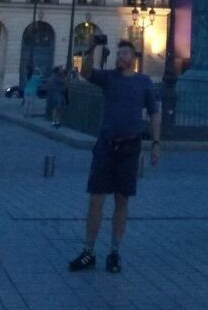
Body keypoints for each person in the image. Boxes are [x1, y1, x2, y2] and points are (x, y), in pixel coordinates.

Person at [68, 39, 160, 274]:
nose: (120, 57)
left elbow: (154, 113)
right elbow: (86, 71)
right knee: (95, 200)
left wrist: (156, 143)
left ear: (134, 59)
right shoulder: (108, 78)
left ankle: (114, 251)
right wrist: (91, 49)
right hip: (106, 146)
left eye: (124, 54)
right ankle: (88, 251)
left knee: (122, 201)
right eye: (118, 54)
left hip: (130, 147)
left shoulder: (144, 82)